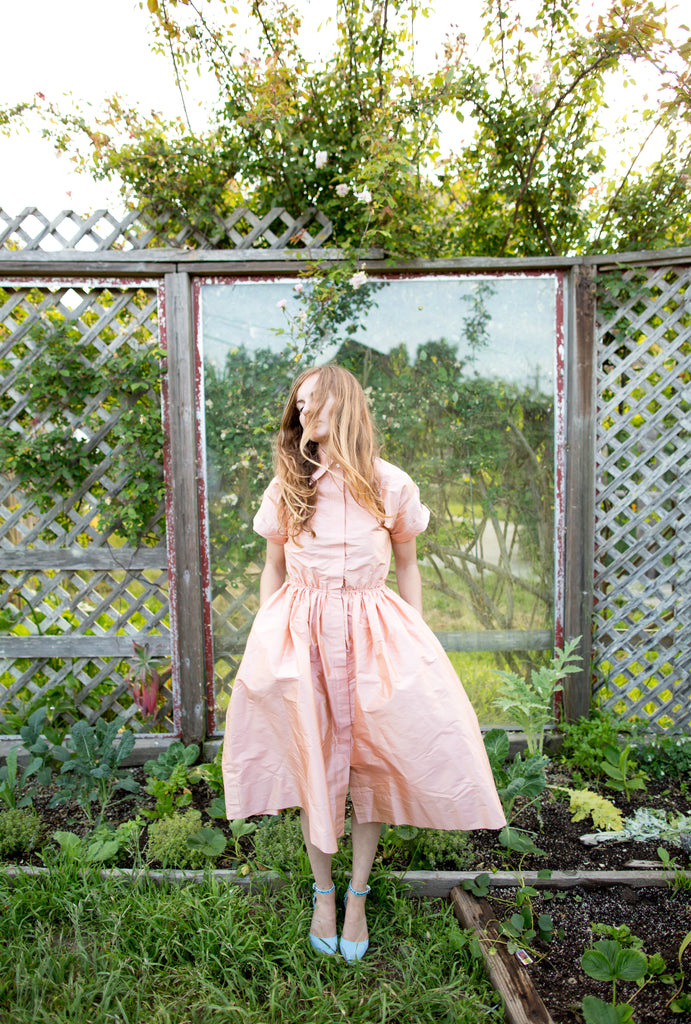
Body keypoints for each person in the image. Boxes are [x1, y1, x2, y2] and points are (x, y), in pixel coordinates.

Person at [222, 364, 505, 961]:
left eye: (313, 403)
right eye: (297, 404)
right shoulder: (288, 486)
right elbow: (274, 566)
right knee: (314, 763)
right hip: (302, 633)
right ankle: (323, 894)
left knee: (371, 768)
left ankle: (357, 896)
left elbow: (408, 564)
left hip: (374, 636)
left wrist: (416, 634)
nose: (302, 414)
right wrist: (267, 631)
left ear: (343, 405)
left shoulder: (389, 485)